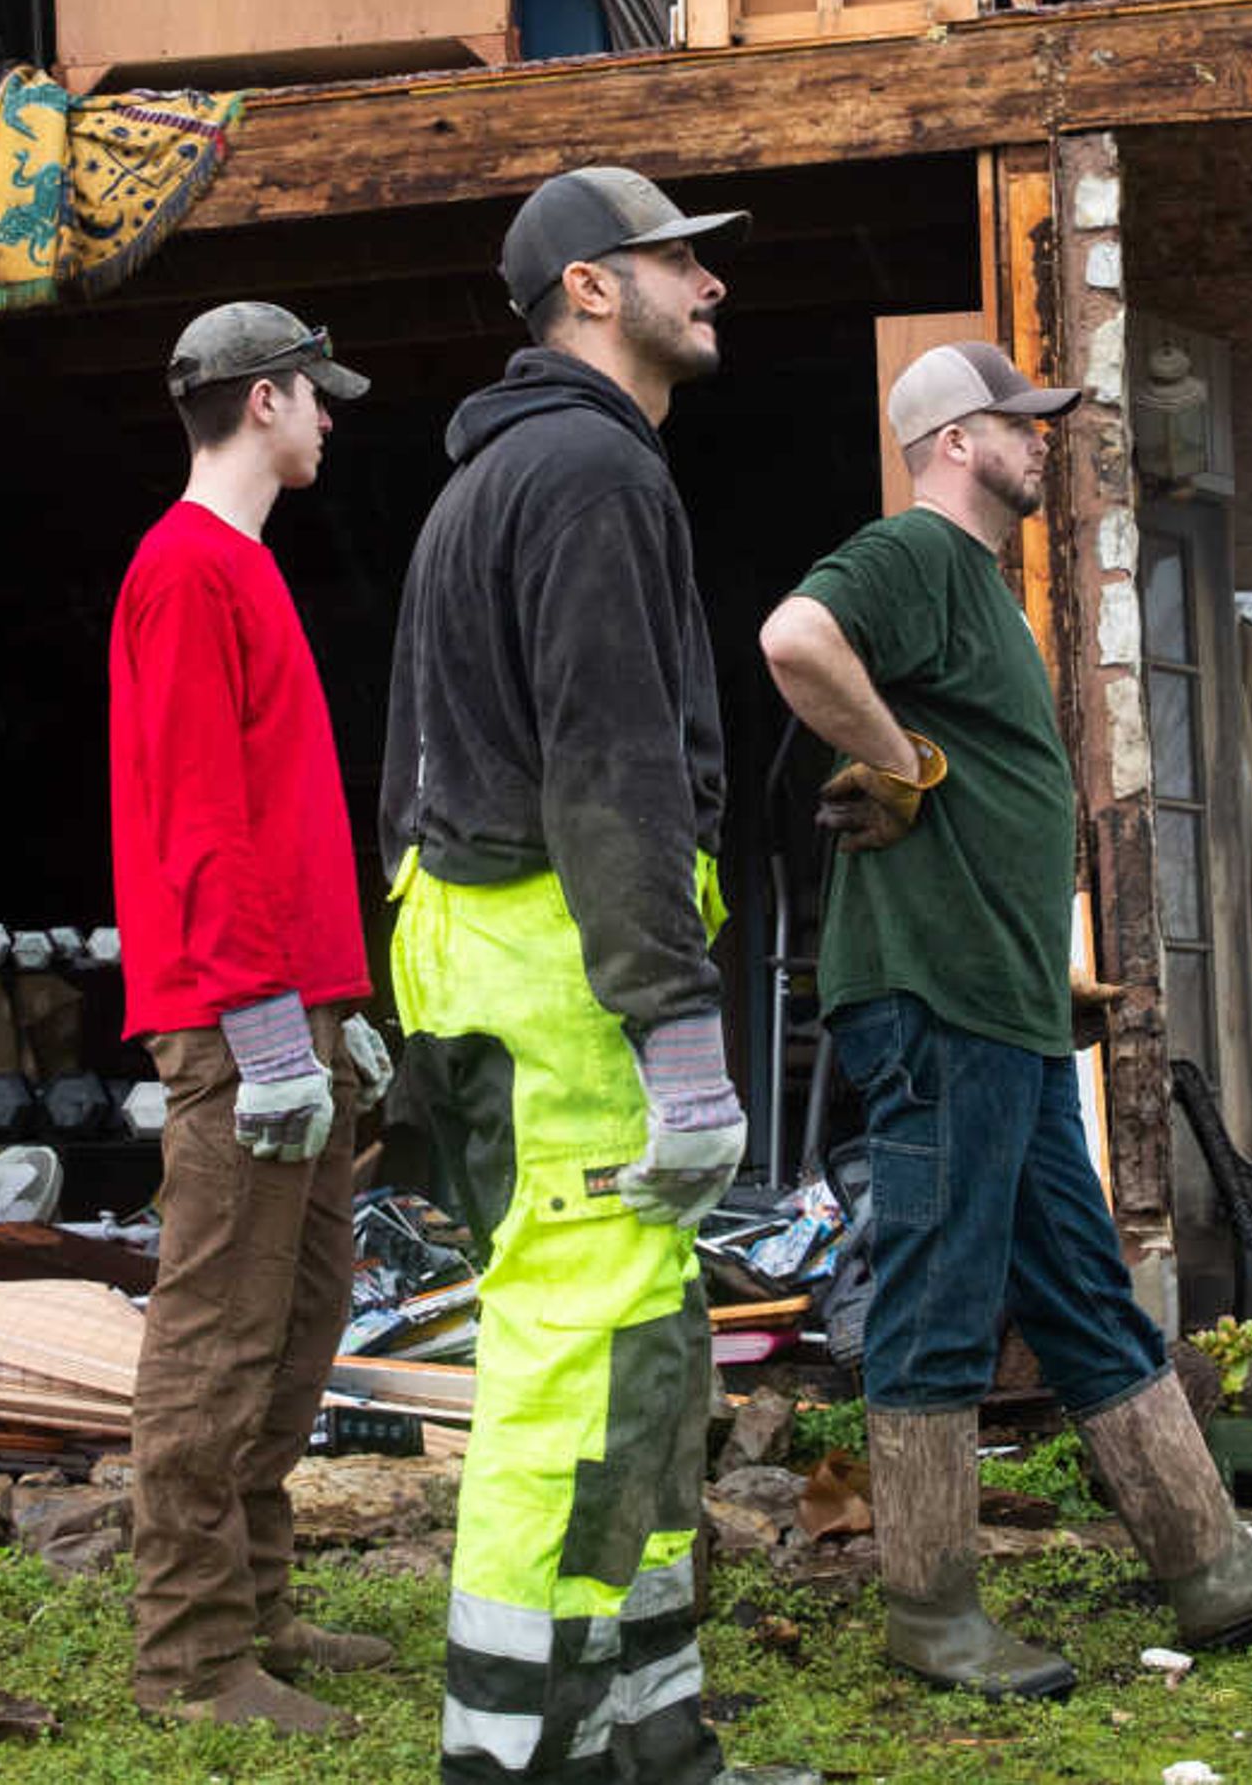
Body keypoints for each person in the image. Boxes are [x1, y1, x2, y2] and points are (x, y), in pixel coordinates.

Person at [759, 339, 1252, 1701]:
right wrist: (898, 757)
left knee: (1085, 1289)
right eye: (1019, 424)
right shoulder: (913, 554)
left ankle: (1207, 1561)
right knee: (936, 1290)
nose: (1042, 442)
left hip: (1006, 1008)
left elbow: (985, 809)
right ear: (955, 440)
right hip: (935, 1001)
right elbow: (795, 639)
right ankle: (929, 1608)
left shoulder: (979, 590)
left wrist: (1054, 985)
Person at [379, 166, 807, 1785]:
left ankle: (650, 1742)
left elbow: (414, 771)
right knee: (576, 1364)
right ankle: (517, 1761)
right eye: (677, 259)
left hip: (496, 965)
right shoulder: (584, 477)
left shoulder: (498, 486)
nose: (711, 283)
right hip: (561, 981)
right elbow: (614, 771)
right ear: (586, 289)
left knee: (640, 1356)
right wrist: (678, 1036)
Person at [108, 300, 395, 1737]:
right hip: (240, 1020)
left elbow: (272, 824)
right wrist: (272, 1027)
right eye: (318, 399)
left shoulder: (243, 568)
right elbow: (200, 823)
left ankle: (260, 1607)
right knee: (214, 1335)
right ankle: (191, 1659)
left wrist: (341, 1008)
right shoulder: (186, 571)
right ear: (267, 399)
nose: (330, 420)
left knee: (297, 1321)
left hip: (295, 1004)